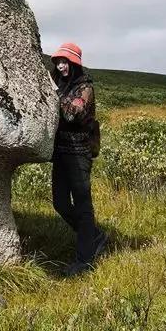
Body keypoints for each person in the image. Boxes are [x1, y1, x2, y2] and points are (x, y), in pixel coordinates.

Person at [49, 42, 107, 276]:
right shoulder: (60, 84)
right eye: (58, 62)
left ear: (74, 63)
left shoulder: (85, 87)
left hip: (79, 153)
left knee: (83, 205)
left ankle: (85, 260)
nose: (61, 66)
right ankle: (94, 236)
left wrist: (54, 91)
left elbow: (71, 114)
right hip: (61, 153)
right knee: (60, 203)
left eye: (65, 62)